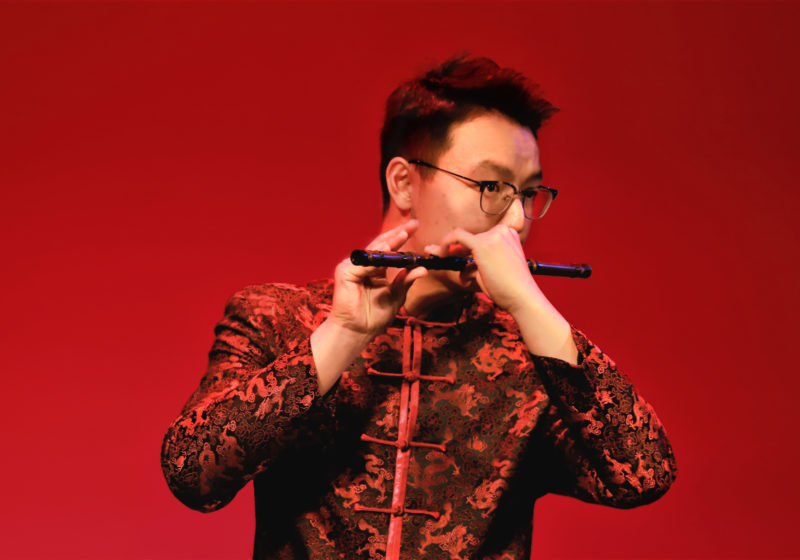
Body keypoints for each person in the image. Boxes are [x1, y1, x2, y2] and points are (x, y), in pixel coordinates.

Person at [161, 55, 677, 559]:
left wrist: (528, 303)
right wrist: (342, 333)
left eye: (527, 194)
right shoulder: (274, 316)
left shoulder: (530, 356)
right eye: (491, 187)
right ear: (404, 183)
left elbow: (642, 475)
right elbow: (192, 475)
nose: (517, 221)